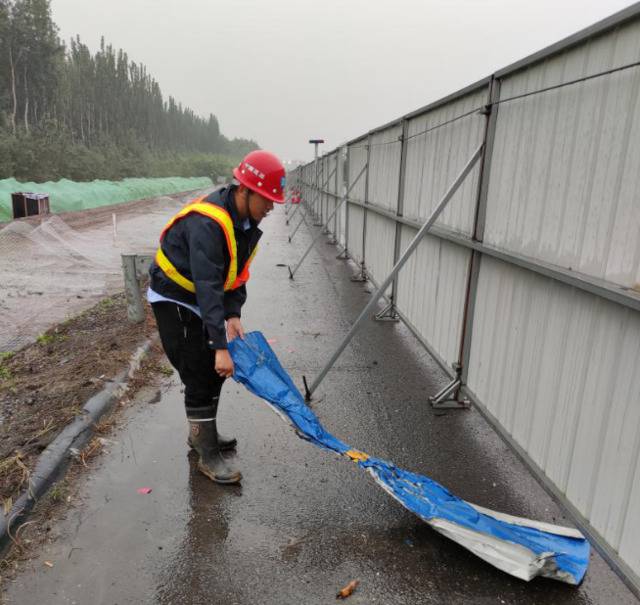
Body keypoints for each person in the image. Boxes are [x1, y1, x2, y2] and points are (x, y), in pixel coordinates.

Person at [147, 150, 286, 484]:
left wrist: (234, 313)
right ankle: (205, 453)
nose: (270, 207)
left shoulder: (247, 223)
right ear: (244, 190)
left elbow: (237, 273)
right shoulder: (208, 223)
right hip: (175, 296)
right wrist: (218, 344)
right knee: (199, 368)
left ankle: (204, 434)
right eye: (266, 199)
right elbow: (208, 286)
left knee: (217, 371)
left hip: (200, 295)